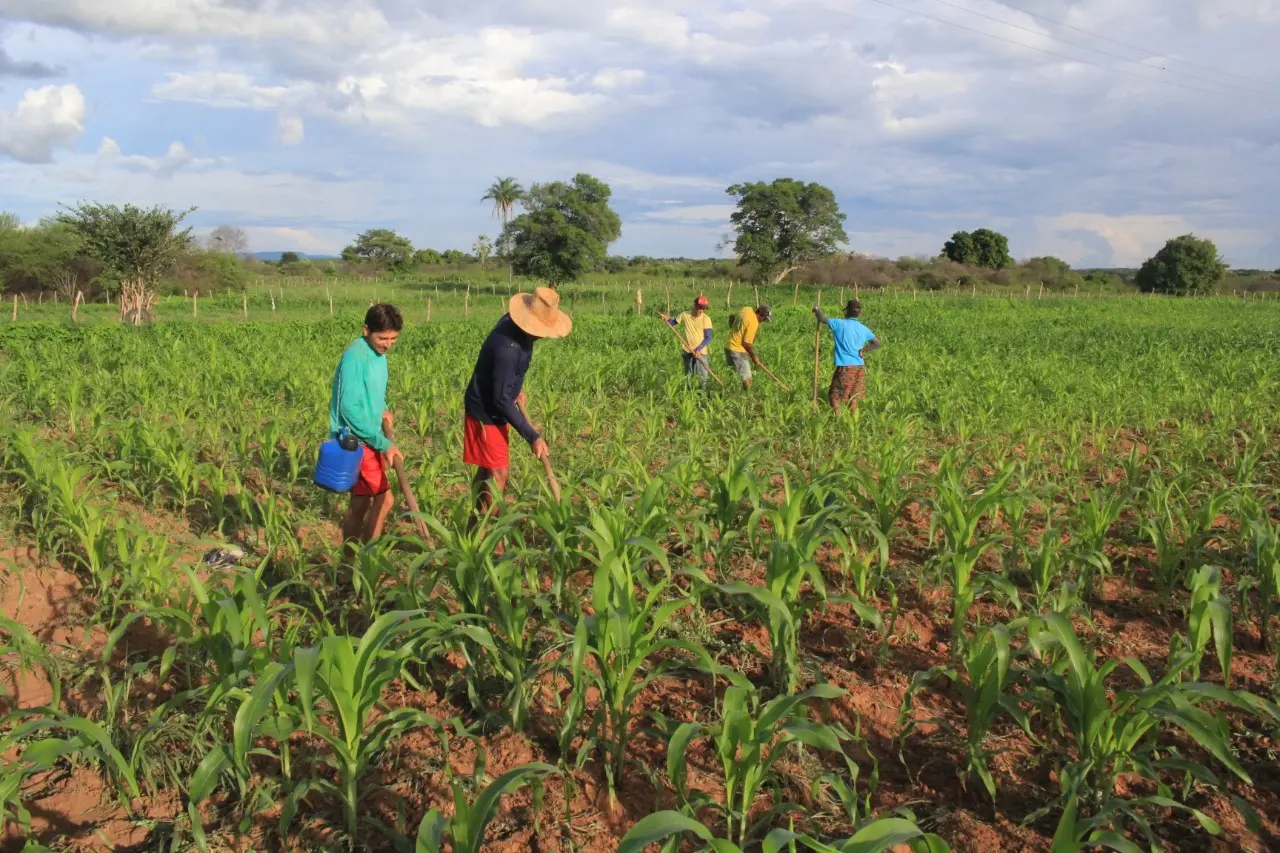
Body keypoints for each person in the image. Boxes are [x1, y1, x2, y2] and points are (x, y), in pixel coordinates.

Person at [464, 286, 572, 520]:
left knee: (488, 469)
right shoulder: (507, 349)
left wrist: (513, 386)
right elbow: (500, 400)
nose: (543, 334)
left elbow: (503, 378)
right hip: (486, 410)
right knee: (499, 472)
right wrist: (533, 436)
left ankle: (474, 525)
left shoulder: (516, 327)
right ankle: (490, 533)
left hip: (495, 400)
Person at [330, 303, 405, 556]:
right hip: (359, 441)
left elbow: (371, 391)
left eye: (393, 338)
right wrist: (383, 443)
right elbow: (349, 408)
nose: (387, 344)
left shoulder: (378, 355)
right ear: (366, 331)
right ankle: (366, 559)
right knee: (385, 500)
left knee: (360, 503)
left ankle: (349, 562)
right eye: (382, 338)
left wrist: (382, 407)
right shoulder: (355, 357)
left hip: (369, 437)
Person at [813, 298, 881, 413]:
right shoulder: (863, 328)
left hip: (846, 367)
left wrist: (816, 309)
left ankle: (838, 420)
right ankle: (853, 422)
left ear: (846, 311)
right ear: (859, 313)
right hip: (859, 367)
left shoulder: (839, 324)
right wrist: (865, 349)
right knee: (853, 397)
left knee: (834, 395)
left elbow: (822, 318)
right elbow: (877, 343)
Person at [660, 295, 713, 387]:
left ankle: (702, 397)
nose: (701, 311)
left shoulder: (706, 319)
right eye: (699, 308)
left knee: (703, 378)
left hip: (701, 353)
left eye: (703, 309)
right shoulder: (685, 315)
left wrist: (699, 349)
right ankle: (688, 394)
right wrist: (667, 319)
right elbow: (673, 323)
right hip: (687, 350)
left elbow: (708, 337)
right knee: (688, 376)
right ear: (694, 305)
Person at [725, 305, 773, 388]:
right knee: (747, 377)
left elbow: (732, 317)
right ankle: (748, 396)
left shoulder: (747, 309)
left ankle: (729, 393)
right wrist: (753, 355)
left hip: (728, 345)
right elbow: (746, 343)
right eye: (764, 319)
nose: (763, 321)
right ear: (760, 314)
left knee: (733, 374)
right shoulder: (753, 323)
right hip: (737, 349)